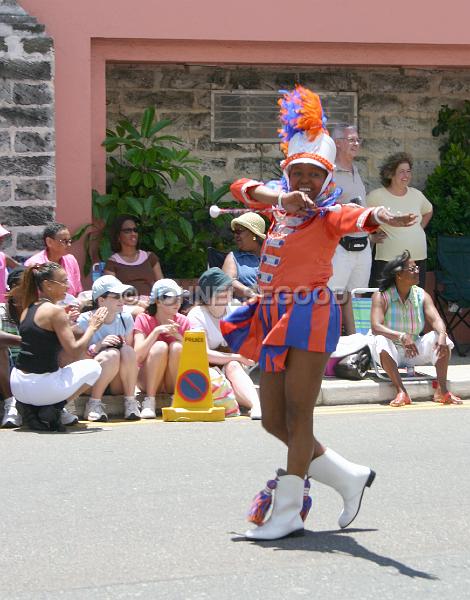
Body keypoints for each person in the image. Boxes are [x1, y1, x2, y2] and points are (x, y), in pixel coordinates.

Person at [220, 86, 416, 540]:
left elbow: (359, 216)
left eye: (313, 175)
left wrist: (383, 213)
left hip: (311, 312)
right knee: (271, 418)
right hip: (271, 314)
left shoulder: (329, 215)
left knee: (299, 412)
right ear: (288, 176)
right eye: (298, 173)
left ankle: (288, 512)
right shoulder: (279, 212)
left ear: (326, 180)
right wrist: (279, 200)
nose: (305, 181)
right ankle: (346, 476)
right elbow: (239, 187)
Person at [9, 263, 106, 431]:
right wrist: (93, 327)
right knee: (94, 367)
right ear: (47, 285)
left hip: (18, 385)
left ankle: (31, 411)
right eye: (63, 281)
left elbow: (41, 336)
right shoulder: (55, 312)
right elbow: (75, 351)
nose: (68, 286)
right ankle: (54, 408)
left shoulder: (29, 308)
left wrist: (64, 320)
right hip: (42, 388)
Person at [370, 250, 462, 407]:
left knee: (441, 337)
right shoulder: (382, 296)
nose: (417, 271)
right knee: (379, 340)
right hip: (392, 352)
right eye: (412, 269)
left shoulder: (421, 295)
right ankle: (401, 392)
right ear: (398, 275)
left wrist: (441, 334)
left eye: (417, 267)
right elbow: (376, 327)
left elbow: (436, 319)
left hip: (415, 349)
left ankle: (442, 390)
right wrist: (401, 336)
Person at [328, 126, 385, 334]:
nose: (356, 144)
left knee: (356, 296)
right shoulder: (330, 173)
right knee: (334, 296)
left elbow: (358, 210)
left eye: (357, 140)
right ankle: (329, 347)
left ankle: (355, 345)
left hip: (362, 245)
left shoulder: (356, 170)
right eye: (351, 140)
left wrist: (371, 232)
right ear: (338, 143)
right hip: (340, 246)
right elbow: (328, 211)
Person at [187, 267, 261, 419]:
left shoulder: (234, 308)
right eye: (221, 289)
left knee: (233, 366)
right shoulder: (196, 315)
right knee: (232, 365)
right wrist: (238, 357)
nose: (227, 292)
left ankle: (257, 406)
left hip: (230, 363)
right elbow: (204, 354)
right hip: (203, 367)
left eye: (228, 288)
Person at [75, 275, 140, 422]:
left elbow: (130, 354)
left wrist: (120, 344)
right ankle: (93, 404)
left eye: (122, 295)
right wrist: (99, 346)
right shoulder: (85, 320)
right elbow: (77, 358)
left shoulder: (126, 318)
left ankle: (130, 401)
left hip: (118, 381)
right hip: (90, 381)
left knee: (127, 351)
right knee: (111, 355)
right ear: (101, 300)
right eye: (116, 296)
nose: (121, 300)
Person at [367, 152, 433, 289]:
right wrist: (371, 235)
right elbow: (361, 217)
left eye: (408, 171)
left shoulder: (417, 195)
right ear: (390, 174)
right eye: (401, 172)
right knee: (385, 300)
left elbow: (428, 210)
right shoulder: (376, 196)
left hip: (417, 259)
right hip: (388, 260)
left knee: (415, 301)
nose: (406, 175)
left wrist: (420, 228)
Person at [133, 279, 190, 418]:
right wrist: (155, 332)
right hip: (147, 379)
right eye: (172, 298)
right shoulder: (143, 319)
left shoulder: (183, 321)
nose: (177, 303)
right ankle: (149, 401)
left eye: (179, 298)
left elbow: (193, 355)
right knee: (160, 346)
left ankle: (177, 398)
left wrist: (178, 337)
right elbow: (137, 357)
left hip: (171, 381)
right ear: (158, 301)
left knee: (177, 347)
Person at [103, 214, 164, 298]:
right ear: (118, 236)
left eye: (135, 230)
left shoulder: (150, 257)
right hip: (127, 307)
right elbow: (112, 294)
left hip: (152, 305)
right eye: (127, 231)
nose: (133, 234)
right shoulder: (112, 263)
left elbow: (162, 286)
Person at [24, 223, 83, 298]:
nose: (69, 245)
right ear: (49, 242)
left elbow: (77, 291)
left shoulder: (71, 260)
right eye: (64, 241)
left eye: (69, 241)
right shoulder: (34, 264)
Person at [222, 213, 266, 300]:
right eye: (234, 232)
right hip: (246, 307)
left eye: (239, 231)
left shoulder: (271, 256)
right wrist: (252, 294)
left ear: (254, 234)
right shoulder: (233, 257)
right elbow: (227, 282)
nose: (235, 235)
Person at [0, 267, 24, 428]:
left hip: (31, 365)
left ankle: (57, 405)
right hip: (7, 367)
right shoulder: (1, 310)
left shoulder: (39, 311)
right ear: (12, 289)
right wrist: (29, 341)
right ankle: (11, 404)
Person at [0, 224, 21, 303]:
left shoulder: (3, 257)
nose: (2, 240)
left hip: (2, 305)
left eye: (2, 237)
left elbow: (20, 269)